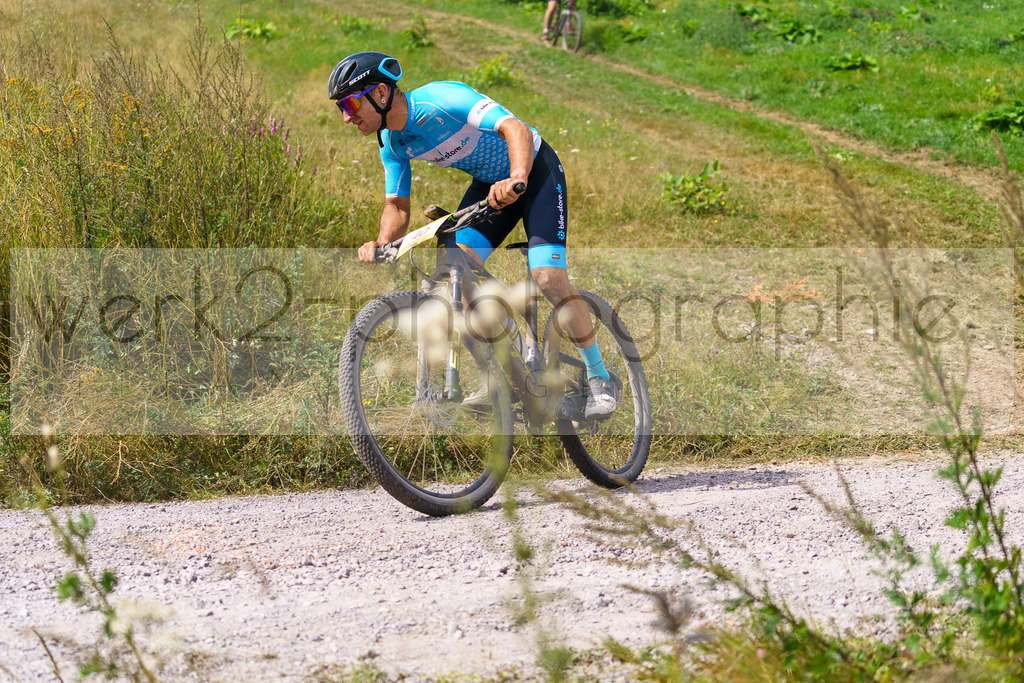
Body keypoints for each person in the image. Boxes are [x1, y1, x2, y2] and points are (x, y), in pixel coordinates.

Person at [327, 51, 616, 419]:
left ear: (382, 93)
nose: (346, 116)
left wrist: (517, 178)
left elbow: (516, 130)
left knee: (548, 277)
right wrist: (383, 243)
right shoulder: (392, 142)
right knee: (455, 270)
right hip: (490, 187)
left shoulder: (441, 99)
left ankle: (599, 377)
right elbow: (397, 205)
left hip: (534, 171)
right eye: (341, 108)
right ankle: (511, 349)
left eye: (350, 104)